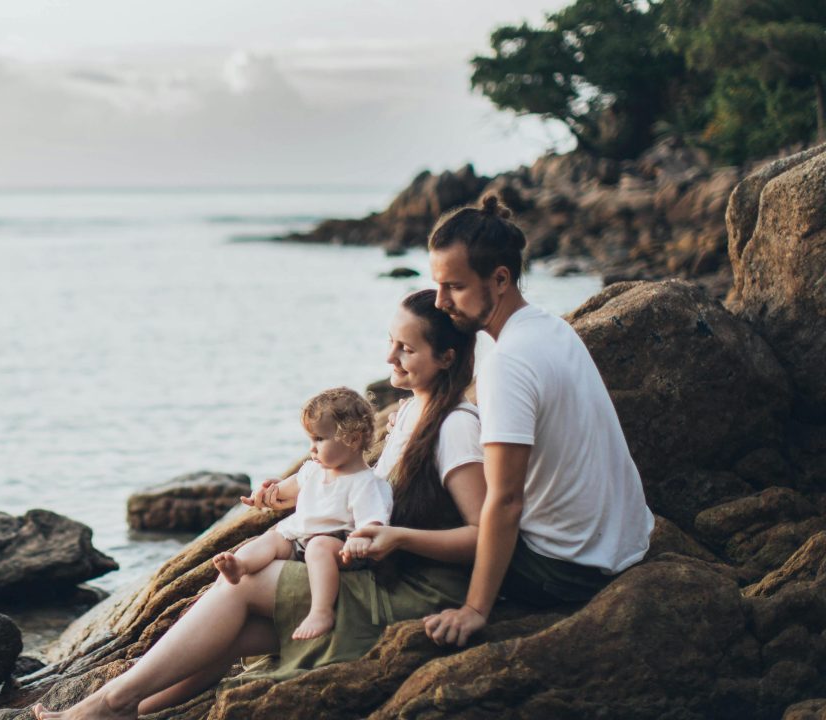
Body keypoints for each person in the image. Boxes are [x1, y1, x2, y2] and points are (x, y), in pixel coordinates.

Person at [34, 290, 485, 720]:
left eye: (405, 349)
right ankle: (133, 710)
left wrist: (397, 537)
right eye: (391, 342)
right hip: (378, 570)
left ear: (446, 358)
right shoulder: (408, 412)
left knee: (243, 585)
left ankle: (108, 703)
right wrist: (293, 494)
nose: (389, 356)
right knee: (233, 634)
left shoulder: (455, 429)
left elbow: (483, 538)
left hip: (418, 589)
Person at [420, 194, 654, 649]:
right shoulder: (549, 327)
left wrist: (474, 610)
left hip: (568, 570)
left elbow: (505, 502)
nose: (440, 301)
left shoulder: (506, 363)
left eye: (455, 286)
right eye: (437, 285)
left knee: (428, 509)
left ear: (500, 279)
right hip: (625, 545)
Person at [211, 387, 393, 641]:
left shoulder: (364, 483)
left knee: (319, 546)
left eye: (319, 439)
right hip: (301, 540)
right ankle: (241, 566)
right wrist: (263, 495)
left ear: (352, 439)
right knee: (273, 538)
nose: (312, 449)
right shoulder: (314, 470)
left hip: (341, 548)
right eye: (310, 440)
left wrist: (360, 539)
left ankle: (321, 611)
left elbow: (373, 521)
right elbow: (285, 489)